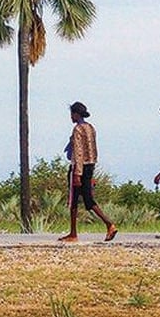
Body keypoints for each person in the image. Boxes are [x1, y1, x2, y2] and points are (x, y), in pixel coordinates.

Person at [59, 101, 118, 243]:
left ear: (76, 114)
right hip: (90, 166)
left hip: (79, 168)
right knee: (87, 199)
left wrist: (77, 174)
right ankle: (74, 232)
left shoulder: (78, 129)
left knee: (76, 200)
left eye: (72, 114)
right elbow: (94, 151)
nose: (71, 117)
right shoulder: (91, 128)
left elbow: (78, 152)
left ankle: (107, 224)